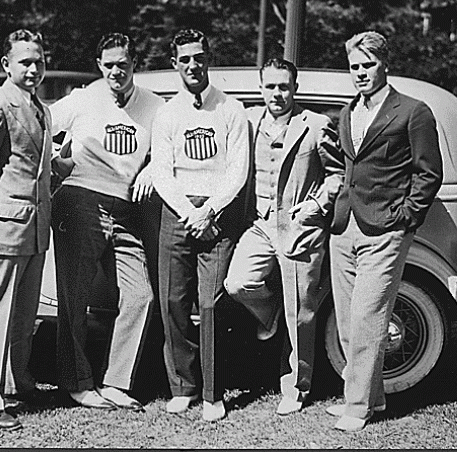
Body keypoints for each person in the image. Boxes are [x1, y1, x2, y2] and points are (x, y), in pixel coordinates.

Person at [327, 31, 443, 432]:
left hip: (386, 229)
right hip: (345, 227)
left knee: (367, 317)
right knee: (345, 319)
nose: (360, 72)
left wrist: (404, 218)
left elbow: (428, 174)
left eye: (368, 64)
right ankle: (369, 396)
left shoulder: (413, 111)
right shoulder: (347, 112)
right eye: (354, 66)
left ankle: (357, 407)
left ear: (384, 64)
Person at [49, 33, 164, 411]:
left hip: (125, 207)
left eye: (123, 64)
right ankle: (78, 383)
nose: (116, 71)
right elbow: (40, 124)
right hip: (80, 200)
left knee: (140, 294)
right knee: (75, 298)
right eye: (109, 64)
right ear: (100, 65)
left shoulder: (154, 105)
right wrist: (55, 160)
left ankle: (117, 382)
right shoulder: (84, 98)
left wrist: (153, 167)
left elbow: (168, 148)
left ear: (135, 64)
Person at [224, 58, 344, 415]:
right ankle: (271, 309)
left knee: (302, 314)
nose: (277, 94)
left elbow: (336, 174)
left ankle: (296, 387)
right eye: (270, 87)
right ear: (261, 89)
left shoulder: (315, 124)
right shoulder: (248, 121)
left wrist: (316, 206)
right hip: (259, 224)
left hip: (299, 226)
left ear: (295, 88)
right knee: (237, 283)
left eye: (284, 87)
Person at [151, 29, 249, 422]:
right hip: (177, 213)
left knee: (211, 304)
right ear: (175, 64)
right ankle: (183, 386)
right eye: (185, 59)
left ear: (209, 59)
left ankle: (212, 393)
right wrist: (188, 211)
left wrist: (209, 210)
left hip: (218, 216)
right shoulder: (168, 111)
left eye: (199, 57)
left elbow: (237, 169)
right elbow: (161, 170)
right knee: (173, 300)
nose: (193, 65)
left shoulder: (231, 108)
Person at [0, 29, 51, 431]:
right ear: (6, 65)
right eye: (25, 61)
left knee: (23, 317)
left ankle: (17, 381)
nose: (34, 68)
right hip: (2, 227)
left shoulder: (39, 106)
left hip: (35, 230)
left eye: (38, 60)